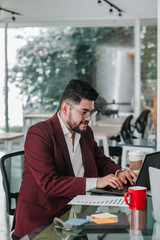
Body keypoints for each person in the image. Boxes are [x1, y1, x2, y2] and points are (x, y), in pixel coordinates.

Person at [12, 79, 137, 239]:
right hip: (43, 222)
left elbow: (100, 160)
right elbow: (49, 183)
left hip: (77, 214)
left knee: (125, 226)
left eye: (91, 112)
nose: (89, 118)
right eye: (84, 112)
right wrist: (96, 182)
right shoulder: (39, 134)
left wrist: (119, 172)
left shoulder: (85, 132)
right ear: (65, 108)